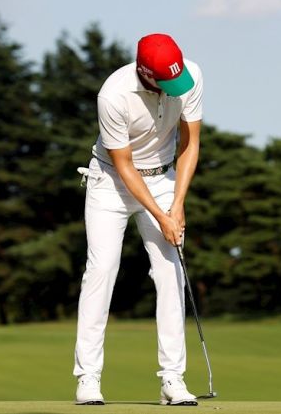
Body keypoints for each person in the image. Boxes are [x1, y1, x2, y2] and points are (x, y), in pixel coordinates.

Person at [73, 33, 203, 406]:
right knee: (101, 271)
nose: (176, 86)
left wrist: (177, 204)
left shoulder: (189, 76)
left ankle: (173, 380)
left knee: (170, 271)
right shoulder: (113, 95)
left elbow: (190, 142)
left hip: (163, 178)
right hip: (110, 182)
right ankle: (88, 378)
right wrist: (160, 214)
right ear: (145, 73)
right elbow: (124, 164)